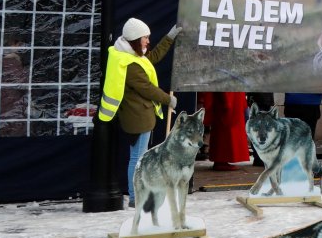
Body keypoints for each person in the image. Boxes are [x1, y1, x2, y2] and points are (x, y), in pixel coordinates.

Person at [98, 18, 180, 208]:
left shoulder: (128, 54)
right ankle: (136, 197)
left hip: (137, 116)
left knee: (138, 157)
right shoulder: (130, 64)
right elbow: (147, 88)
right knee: (138, 158)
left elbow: (154, 56)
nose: (148, 41)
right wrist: (168, 99)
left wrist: (169, 37)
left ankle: (138, 195)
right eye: (145, 38)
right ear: (135, 38)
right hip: (138, 118)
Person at [197, 89, 250, 171]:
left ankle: (221, 160)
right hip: (227, 101)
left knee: (224, 131)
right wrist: (227, 101)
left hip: (229, 99)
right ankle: (221, 161)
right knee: (225, 132)